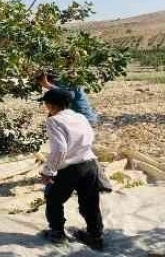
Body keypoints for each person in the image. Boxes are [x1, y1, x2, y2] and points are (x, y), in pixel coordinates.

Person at [38, 88, 104, 250]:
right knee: (90, 202)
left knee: (53, 199)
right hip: (90, 164)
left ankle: (58, 234)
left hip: (70, 168)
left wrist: (48, 171)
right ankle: (95, 236)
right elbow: (89, 137)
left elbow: (59, 150)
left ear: (51, 105)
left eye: (46, 103)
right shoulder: (80, 116)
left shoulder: (54, 121)